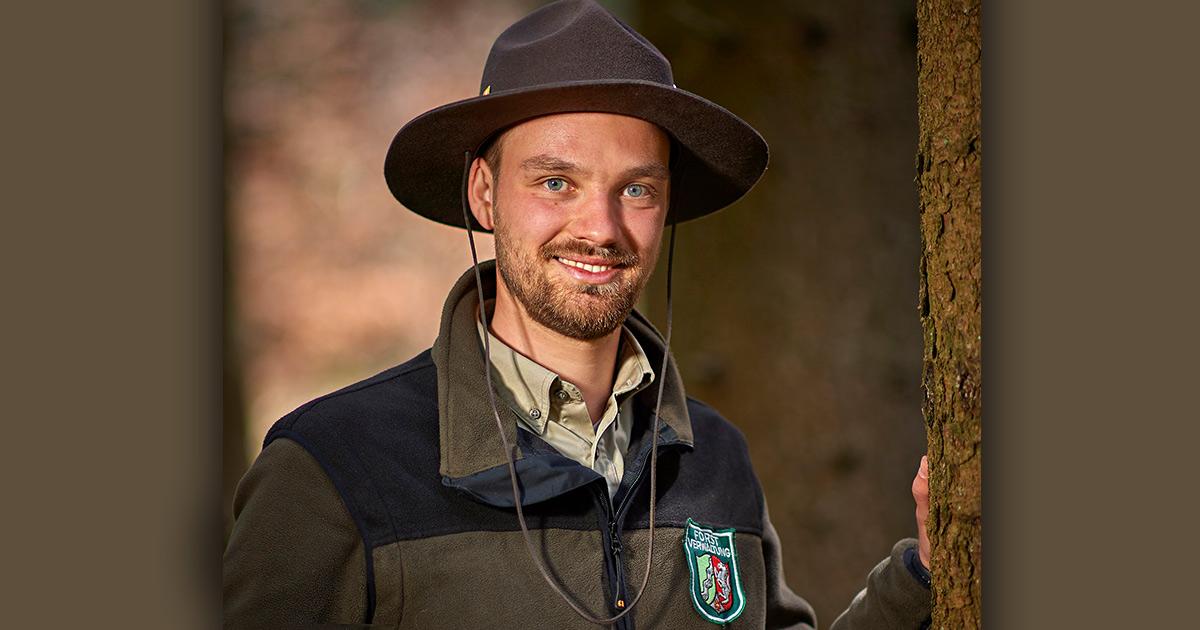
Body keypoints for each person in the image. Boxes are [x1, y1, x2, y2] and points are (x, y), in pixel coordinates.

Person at [223, 1, 933, 627]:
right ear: (484, 193)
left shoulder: (714, 459)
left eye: (637, 190)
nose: (600, 228)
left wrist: (924, 580)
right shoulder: (333, 468)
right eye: (556, 182)